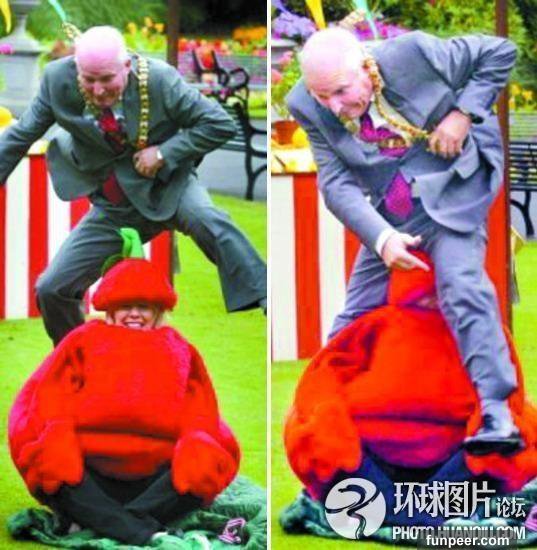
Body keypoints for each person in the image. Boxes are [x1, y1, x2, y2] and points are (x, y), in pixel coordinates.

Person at [287, 27, 521, 456]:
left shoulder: (414, 53)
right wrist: (381, 239)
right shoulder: (304, 103)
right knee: (355, 314)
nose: (334, 106)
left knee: (461, 285)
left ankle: (496, 412)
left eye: (340, 91)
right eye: (322, 96)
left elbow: (500, 51)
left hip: (453, 191)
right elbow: (335, 182)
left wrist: (462, 114)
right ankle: (316, 413)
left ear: (365, 67)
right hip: (393, 211)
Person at [0, 25, 266, 346]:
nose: (99, 90)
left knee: (208, 219)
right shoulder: (58, 80)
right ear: (76, 68)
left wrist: (164, 153)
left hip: (170, 187)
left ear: (126, 65)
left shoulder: (160, 79)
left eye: (107, 79)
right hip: (115, 206)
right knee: (52, 288)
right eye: (89, 80)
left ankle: (267, 299)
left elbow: (218, 123)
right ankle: (80, 362)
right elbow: (20, 136)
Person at [8, 251, 240, 546]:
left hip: (154, 481)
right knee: (54, 467)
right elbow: (51, 393)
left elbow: (200, 407)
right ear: (111, 309)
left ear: (157, 311)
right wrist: (58, 437)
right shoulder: (82, 340)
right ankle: (142, 531)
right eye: (125, 306)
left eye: (143, 307)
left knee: (200, 468)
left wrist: (196, 448)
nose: (134, 314)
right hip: (89, 474)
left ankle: (103, 521)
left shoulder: (180, 349)